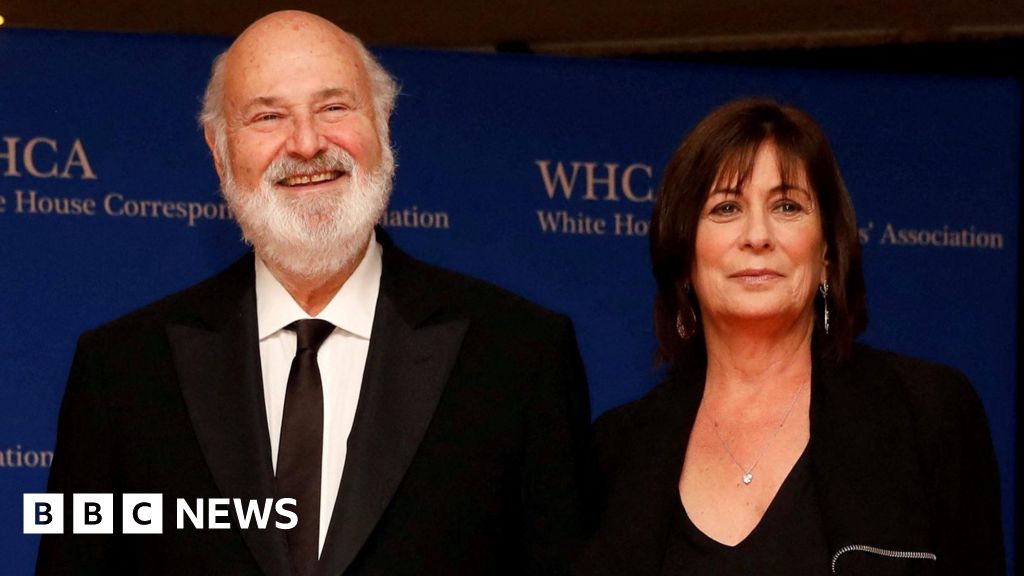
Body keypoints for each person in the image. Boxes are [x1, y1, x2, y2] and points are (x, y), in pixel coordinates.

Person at [37, 11, 590, 576]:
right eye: (268, 116)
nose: (306, 144)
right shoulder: (121, 372)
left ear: (382, 125)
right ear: (219, 151)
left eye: (334, 108)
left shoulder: (520, 355)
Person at [573, 98, 1004, 575]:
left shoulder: (927, 412)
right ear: (685, 258)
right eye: (726, 207)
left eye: (787, 206)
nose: (757, 235)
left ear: (827, 255)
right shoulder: (618, 449)